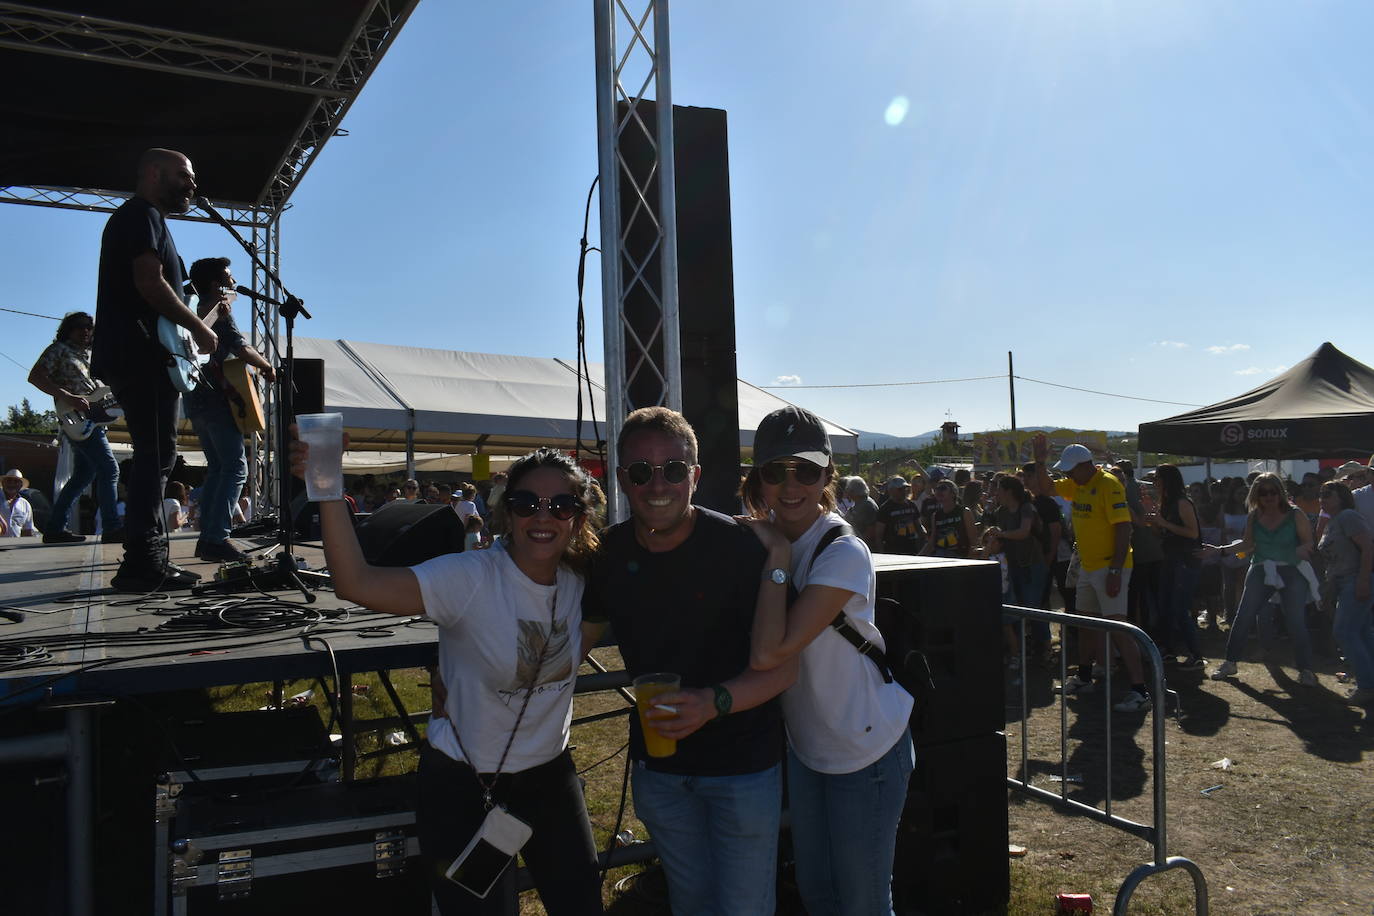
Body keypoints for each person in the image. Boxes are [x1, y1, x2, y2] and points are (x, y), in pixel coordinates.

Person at [293, 436, 605, 914]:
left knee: (581, 906)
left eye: (561, 506)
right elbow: (357, 582)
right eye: (526, 503)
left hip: (549, 775)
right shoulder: (469, 576)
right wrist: (329, 488)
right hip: (465, 784)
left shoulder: (583, 581)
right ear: (506, 513)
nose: (543, 517)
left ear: (578, 518)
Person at [580, 406, 796, 916]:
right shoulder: (607, 554)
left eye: (673, 469)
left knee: (745, 908)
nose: (658, 485)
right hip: (660, 771)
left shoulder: (742, 548)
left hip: (742, 768)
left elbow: (786, 667)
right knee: (690, 904)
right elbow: (570, 646)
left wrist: (713, 702)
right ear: (621, 480)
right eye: (641, 471)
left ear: (694, 476)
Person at [737, 407, 914, 915]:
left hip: (866, 750)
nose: (792, 485)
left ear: (828, 476)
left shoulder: (843, 550)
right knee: (818, 894)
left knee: (862, 903)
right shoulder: (756, 538)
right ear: (759, 478)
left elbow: (771, 652)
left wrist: (775, 557)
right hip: (808, 748)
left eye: (807, 470)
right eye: (776, 471)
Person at [93, 148, 216, 591]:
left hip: (144, 353)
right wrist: (198, 327)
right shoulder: (140, 214)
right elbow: (149, 282)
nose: (192, 185)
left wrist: (195, 321)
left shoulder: (149, 220)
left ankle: (145, 558)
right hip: (140, 354)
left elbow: (163, 293)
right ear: (153, 173)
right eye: (184, 175)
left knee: (157, 453)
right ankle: (142, 563)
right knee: (157, 454)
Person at [1032, 436, 1152, 713]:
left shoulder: (1108, 485)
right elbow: (1046, 488)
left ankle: (1140, 691)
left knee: (1118, 627)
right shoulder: (1078, 484)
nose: (1068, 475)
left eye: (1071, 470)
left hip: (1111, 566)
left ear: (1086, 465)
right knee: (1085, 623)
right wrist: (1039, 462)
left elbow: (1124, 528)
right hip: (1088, 565)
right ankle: (1084, 676)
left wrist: (1115, 570)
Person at [184, 257, 276, 562]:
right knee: (236, 468)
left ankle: (208, 538)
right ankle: (216, 537)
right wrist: (267, 366)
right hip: (218, 398)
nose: (234, 280)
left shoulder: (190, 308)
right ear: (216, 283)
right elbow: (240, 347)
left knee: (217, 469)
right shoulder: (218, 308)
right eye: (228, 276)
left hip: (194, 399)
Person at [1208, 472, 1318, 687]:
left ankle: (1306, 669)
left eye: (1273, 492)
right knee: (1243, 616)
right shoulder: (1254, 516)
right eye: (1263, 492)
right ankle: (1230, 662)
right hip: (1261, 568)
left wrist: (1302, 550)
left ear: (1280, 493)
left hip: (1291, 570)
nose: (1269, 496)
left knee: (1295, 621)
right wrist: (1218, 550)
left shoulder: (1295, 514)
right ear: (1256, 495)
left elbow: (1309, 543)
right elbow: (1247, 544)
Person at [28, 312, 123, 543]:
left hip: (91, 422)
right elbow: (35, 377)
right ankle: (111, 527)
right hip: (75, 419)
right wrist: (67, 396)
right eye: (80, 326)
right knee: (109, 469)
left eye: (89, 327)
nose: (85, 331)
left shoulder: (87, 356)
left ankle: (55, 528)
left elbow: (96, 393)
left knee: (82, 476)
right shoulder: (59, 349)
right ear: (68, 329)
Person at [1314, 482, 1374, 706]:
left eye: (1328, 494)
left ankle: (1367, 686)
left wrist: (1363, 580)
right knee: (1363, 633)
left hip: (1355, 580)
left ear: (1342, 497)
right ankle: (1368, 682)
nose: (1322, 498)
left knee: (1345, 631)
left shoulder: (1349, 516)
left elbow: (1368, 548)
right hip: (1343, 583)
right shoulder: (1333, 521)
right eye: (1321, 494)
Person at [1146, 464, 1204, 668]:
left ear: (1167, 480)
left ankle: (1196, 655)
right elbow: (1162, 534)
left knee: (1179, 609)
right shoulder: (1165, 503)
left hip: (1185, 561)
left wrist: (1164, 523)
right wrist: (1154, 523)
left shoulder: (1182, 503)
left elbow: (1193, 533)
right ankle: (1169, 650)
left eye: (1157, 478)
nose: (1154, 483)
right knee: (1165, 607)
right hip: (1170, 559)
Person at [920, 478, 977, 558]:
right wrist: (917, 558)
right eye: (936, 489)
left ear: (953, 493)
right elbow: (931, 543)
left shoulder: (964, 512)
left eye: (943, 488)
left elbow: (973, 541)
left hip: (959, 557)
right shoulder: (936, 516)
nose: (938, 492)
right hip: (940, 556)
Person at [873, 477, 923, 555]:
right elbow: (879, 535)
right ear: (891, 491)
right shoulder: (885, 509)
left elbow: (919, 527)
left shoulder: (911, 505)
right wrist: (882, 554)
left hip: (912, 549)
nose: (903, 491)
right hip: (894, 551)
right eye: (900, 489)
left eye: (905, 489)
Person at [841, 477, 880, 549]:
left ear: (853, 491)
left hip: (864, 546)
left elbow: (871, 531)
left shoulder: (867, 505)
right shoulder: (860, 503)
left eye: (848, 490)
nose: (847, 493)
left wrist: (857, 544)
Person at [2, 469, 38, 537]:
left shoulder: (25, 505)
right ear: (3, 483)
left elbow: (27, 531)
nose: (12, 484)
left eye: (16, 481)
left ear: (21, 485)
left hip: (16, 543)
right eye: (9, 480)